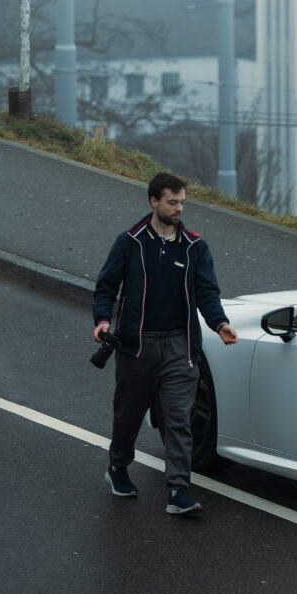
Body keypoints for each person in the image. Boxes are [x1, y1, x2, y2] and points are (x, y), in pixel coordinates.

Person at [93, 172, 238, 514]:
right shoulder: (130, 242)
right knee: (128, 416)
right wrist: (102, 321)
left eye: (183, 202)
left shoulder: (194, 247)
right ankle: (118, 468)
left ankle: (177, 490)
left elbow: (207, 292)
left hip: (179, 347)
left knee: (178, 419)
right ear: (154, 202)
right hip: (137, 347)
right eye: (172, 202)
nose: (179, 209)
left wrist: (220, 324)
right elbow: (106, 287)